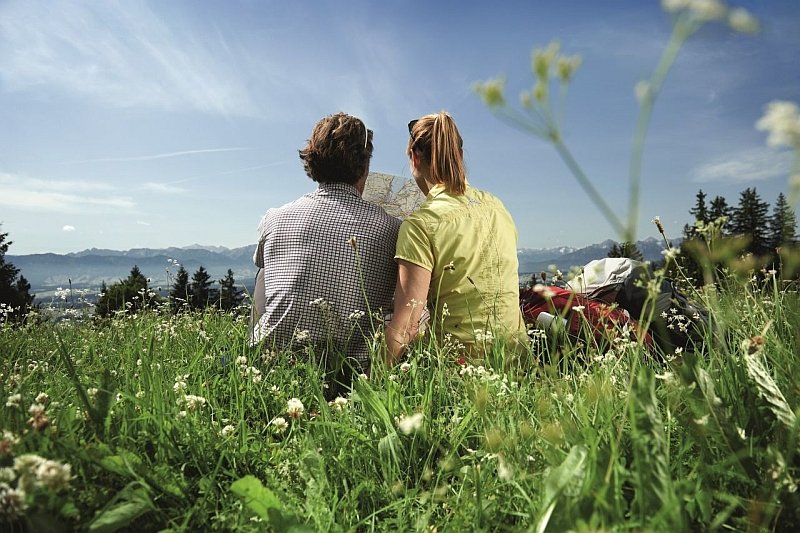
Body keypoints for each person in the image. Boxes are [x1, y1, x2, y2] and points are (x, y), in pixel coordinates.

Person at [252, 112, 401, 377]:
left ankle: (259, 350)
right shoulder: (392, 227)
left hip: (275, 365)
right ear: (365, 168)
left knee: (264, 271)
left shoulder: (274, 218)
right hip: (349, 372)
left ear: (313, 160)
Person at [385, 111, 527, 364]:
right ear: (459, 156)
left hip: (460, 371)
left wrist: (372, 387)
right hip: (518, 363)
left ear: (414, 158)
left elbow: (406, 326)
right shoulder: (498, 208)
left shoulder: (421, 225)